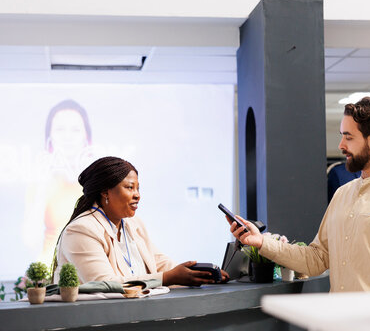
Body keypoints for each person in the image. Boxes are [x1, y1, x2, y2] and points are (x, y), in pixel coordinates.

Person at [229, 96, 370, 292]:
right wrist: (262, 242)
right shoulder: (342, 194)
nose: (341, 145)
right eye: (342, 135)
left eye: (349, 137)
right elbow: (316, 259)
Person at [53, 156, 229, 286]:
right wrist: (168, 278)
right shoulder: (81, 230)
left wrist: (198, 274)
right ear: (105, 192)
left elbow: (158, 262)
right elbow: (105, 284)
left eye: (138, 188)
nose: (137, 195)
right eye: (130, 187)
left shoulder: (133, 224)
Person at [23, 99, 96, 264]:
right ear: (50, 136)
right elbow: (30, 241)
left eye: (75, 130)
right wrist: (42, 190)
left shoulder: (99, 181)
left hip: (91, 271)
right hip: (50, 271)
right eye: (60, 129)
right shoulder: (40, 181)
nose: (67, 137)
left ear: (86, 136)